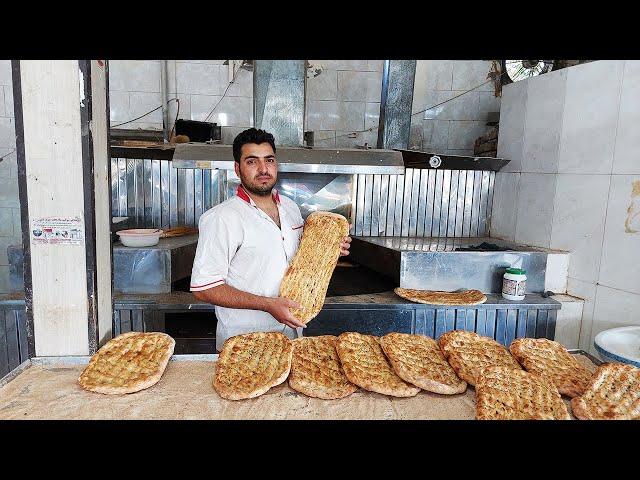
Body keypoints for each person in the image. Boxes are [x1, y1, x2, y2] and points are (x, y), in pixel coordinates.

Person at [190, 128, 352, 351]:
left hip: (293, 338)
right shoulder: (221, 218)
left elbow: (300, 260)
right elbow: (204, 288)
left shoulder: (291, 208)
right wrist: (268, 305)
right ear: (237, 168)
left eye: (269, 160)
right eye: (252, 162)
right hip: (245, 343)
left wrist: (328, 249)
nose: (263, 169)